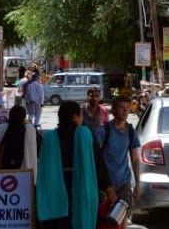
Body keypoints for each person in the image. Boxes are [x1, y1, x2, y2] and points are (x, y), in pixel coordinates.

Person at [36, 101, 117, 229]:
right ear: (75, 116)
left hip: (55, 191)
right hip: (83, 189)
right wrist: (108, 190)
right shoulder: (86, 134)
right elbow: (98, 164)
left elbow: (43, 168)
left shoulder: (49, 137)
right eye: (81, 116)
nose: (82, 119)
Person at [97, 96, 141, 229]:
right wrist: (105, 186)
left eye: (128, 108)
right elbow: (96, 158)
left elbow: (134, 159)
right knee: (105, 220)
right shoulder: (104, 131)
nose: (125, 111)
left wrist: (138, 183)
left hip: (124, 184)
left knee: (123, 218)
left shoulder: (131, 132)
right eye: (122, 108)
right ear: (114, 110)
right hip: (106, 186)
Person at [0, 105, 39, 194]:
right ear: (24, 118)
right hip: (24, 171)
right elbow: (39, 147)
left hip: (2, 169)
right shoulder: (30, 130)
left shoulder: (1, 128)